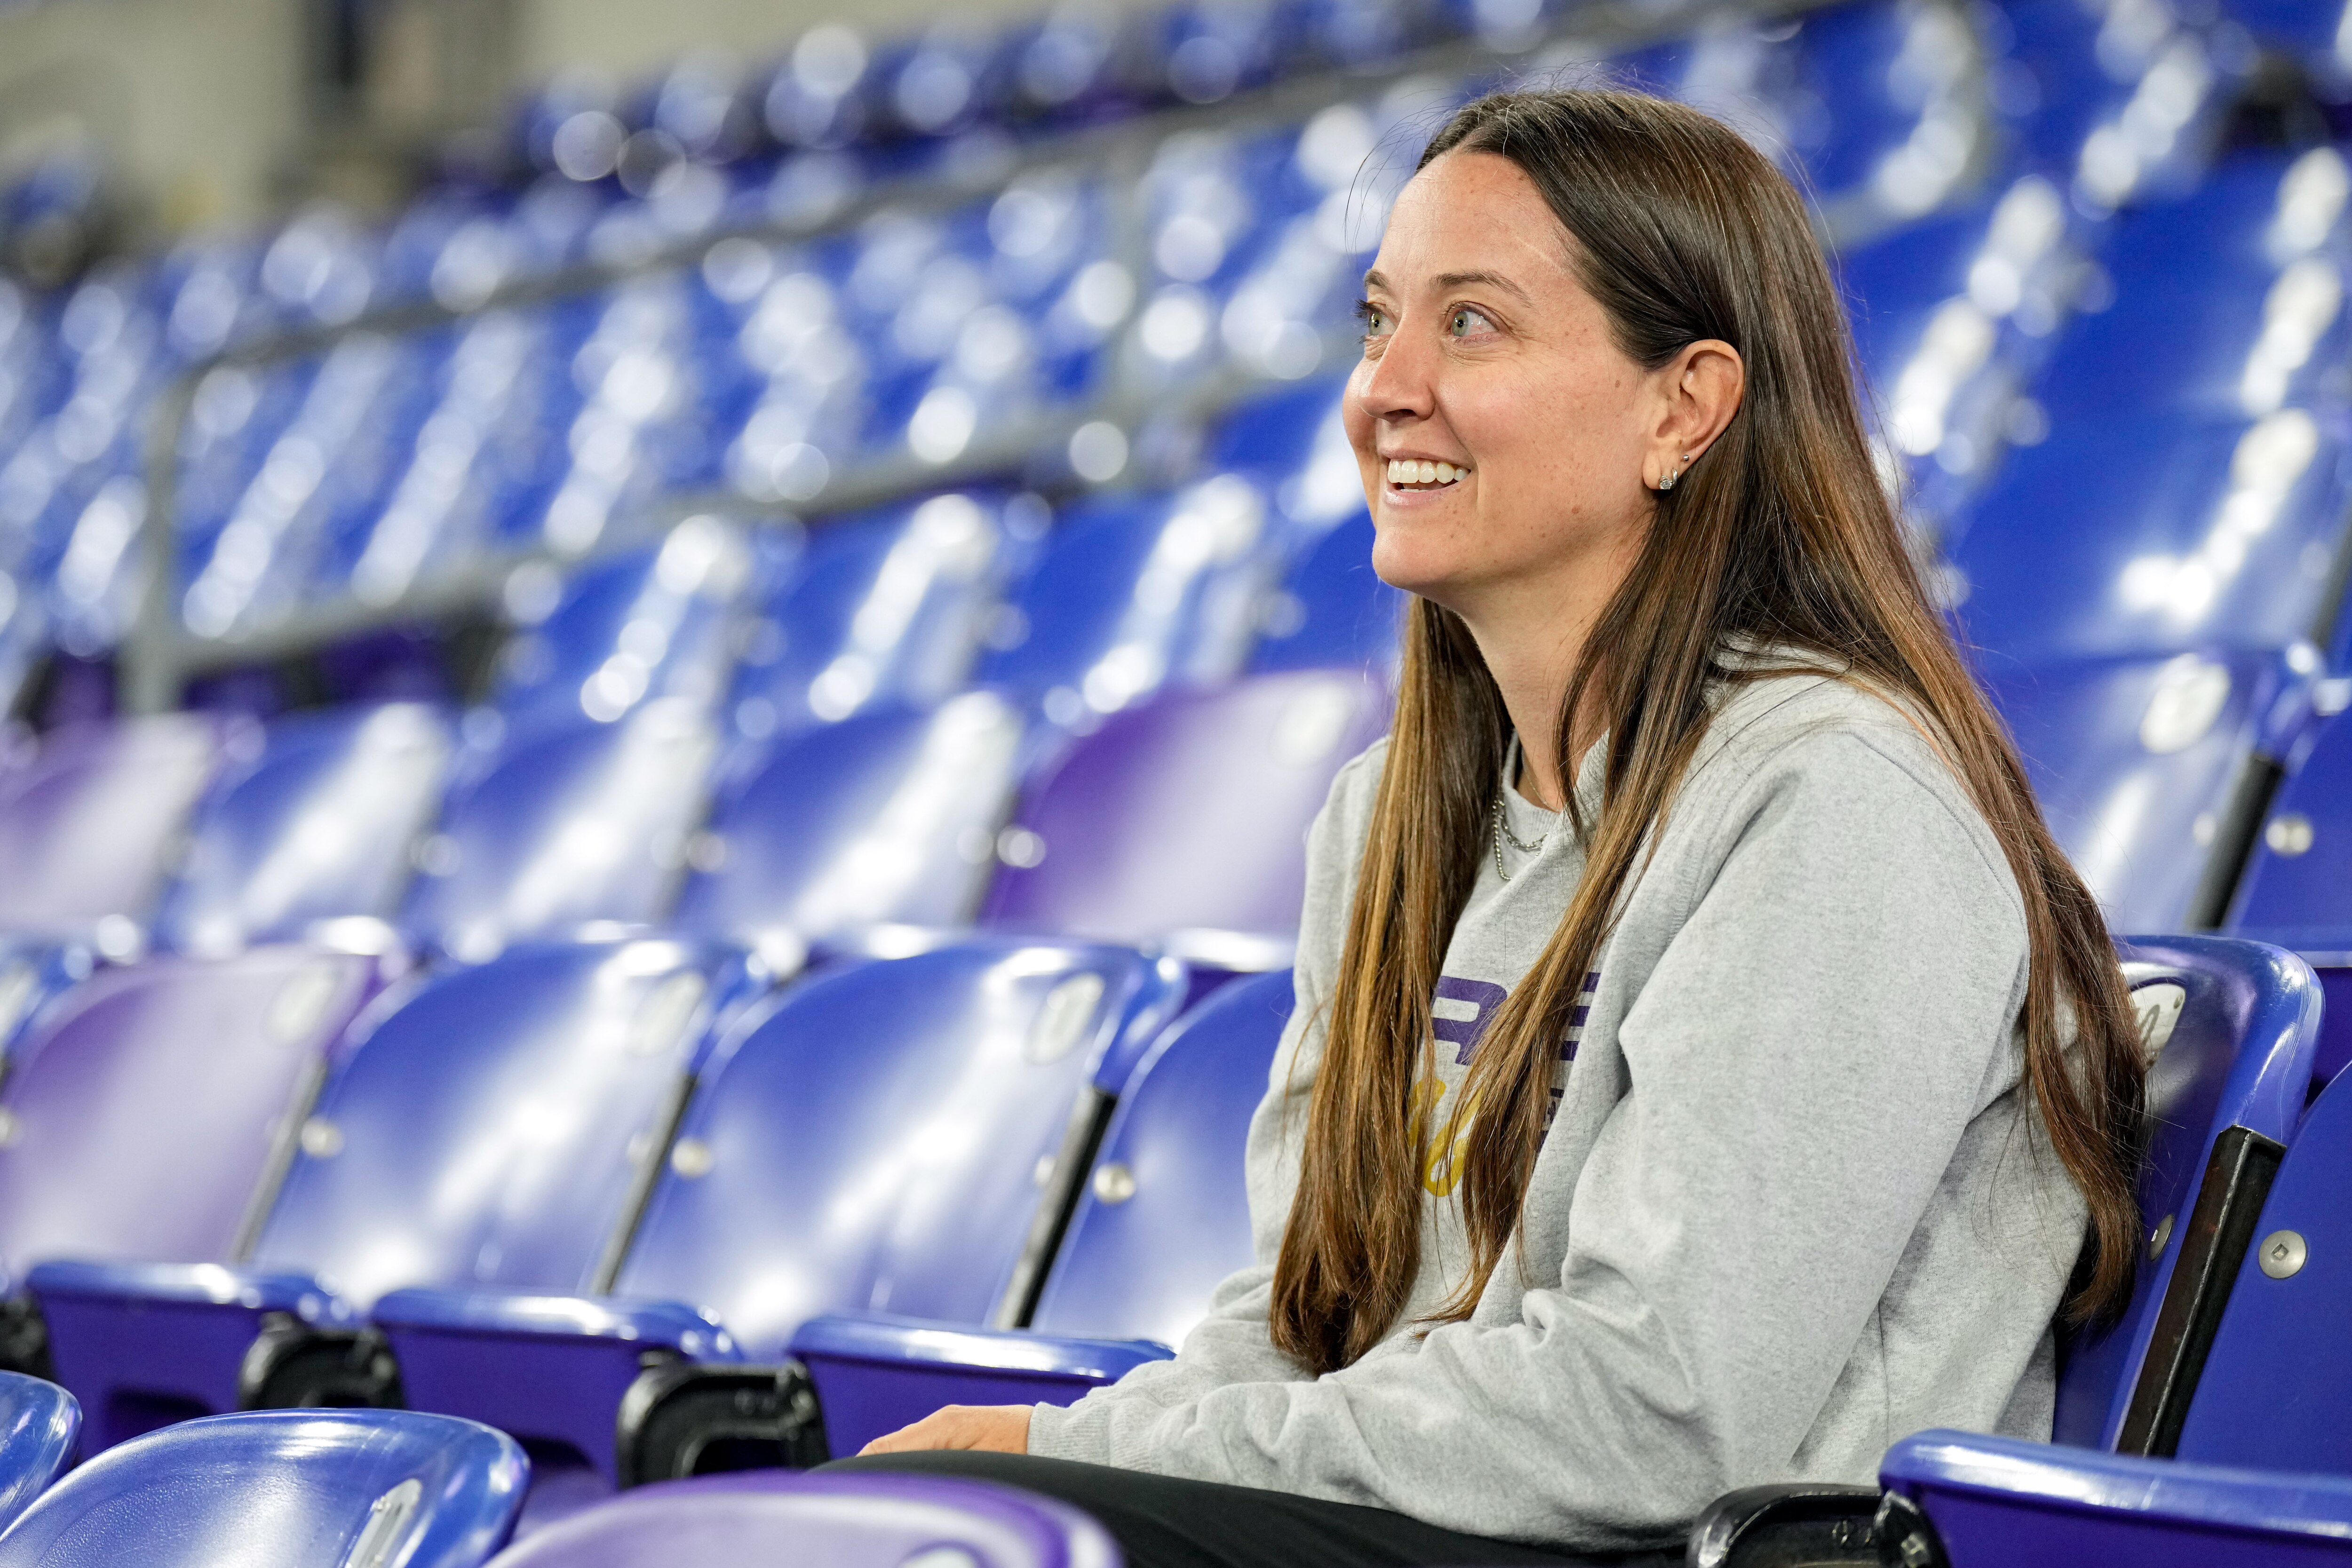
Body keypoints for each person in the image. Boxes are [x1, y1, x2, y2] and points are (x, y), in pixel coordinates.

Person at [826, 85, 2147, 1568]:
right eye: (1378, 319)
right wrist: (1081, 1453)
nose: (1386, 386)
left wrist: (1085, 1454)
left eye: (1472, 325)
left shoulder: (1837, 803)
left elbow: (1661, 1416)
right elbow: (1302, 1330)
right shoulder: (1390, 815)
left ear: (1685, 408)